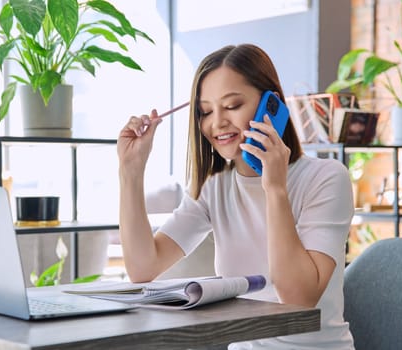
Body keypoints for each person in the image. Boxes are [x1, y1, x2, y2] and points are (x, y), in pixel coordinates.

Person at [117, 43, 355, 349]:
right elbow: (142, 268)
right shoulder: (213, 186)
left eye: (231, 106)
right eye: (206, 111)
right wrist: (130, 171)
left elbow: (299, 298)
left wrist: (275, 188)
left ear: (272, 104)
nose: (217, 122)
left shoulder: (326, 177)